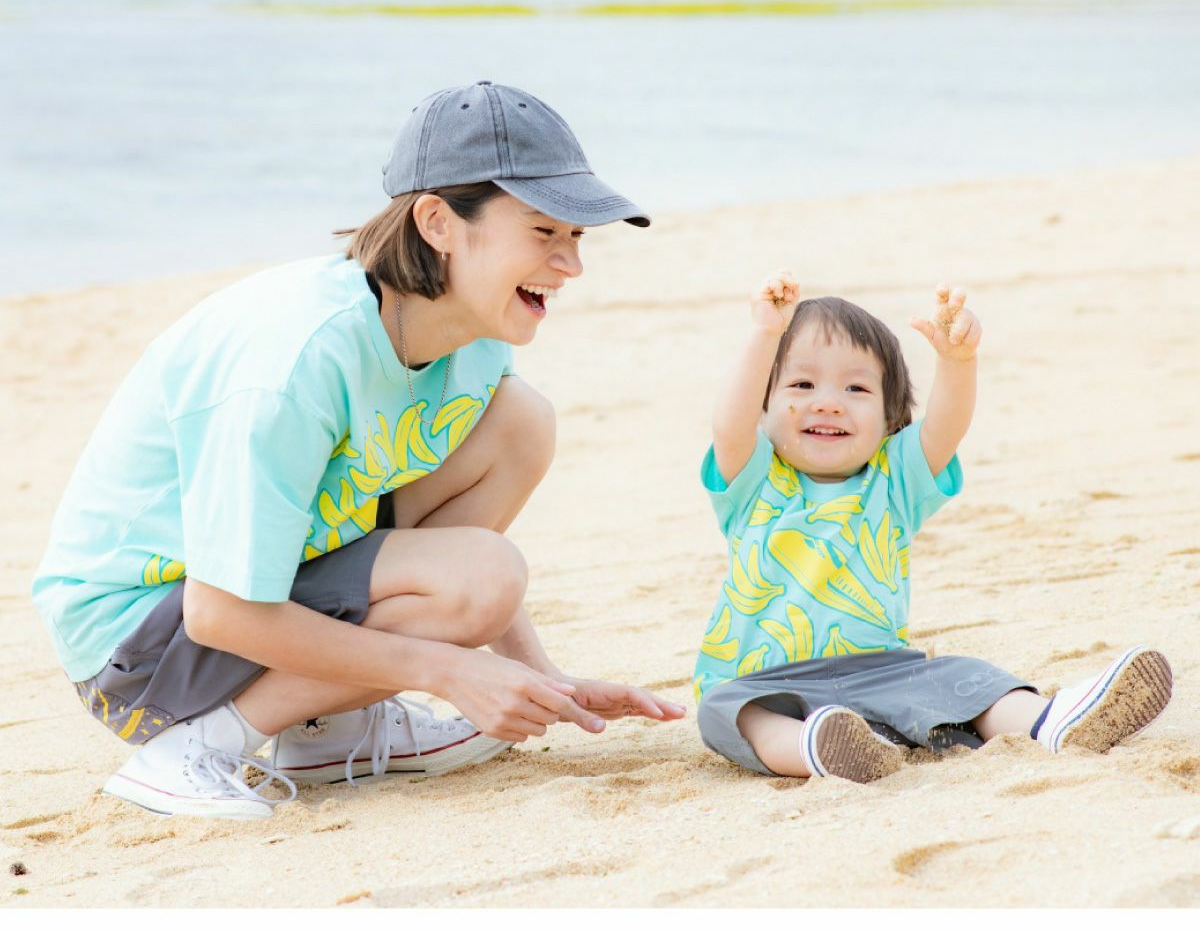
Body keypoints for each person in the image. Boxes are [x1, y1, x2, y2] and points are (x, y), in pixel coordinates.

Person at [33, 80, 685, 819]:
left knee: (520, 423)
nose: (570, 265)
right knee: (485, 573)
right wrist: (447, 671)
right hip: (139, 646)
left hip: (260, 594)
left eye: (576, 236)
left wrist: (543, 682)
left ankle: (325, 728)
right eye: (543, 232)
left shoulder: (472, 340)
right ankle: (196, 749)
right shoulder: (298, 357)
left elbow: (446, 558)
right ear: (437, 222)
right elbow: (219, 612)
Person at [693, 272, 1172, 782]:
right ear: (763, 408)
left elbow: (945, 426)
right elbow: (729, 423)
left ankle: (1050, 721)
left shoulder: (893, 481)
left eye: (856, 388)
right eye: (801, 385)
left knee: (963, 678)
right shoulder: (753, 480)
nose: (828, 402)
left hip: (882, 670)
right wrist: (766, 333)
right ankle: (817, 748)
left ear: (890, 421)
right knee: (730, 712)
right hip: (764, 681)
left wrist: (957, 362)